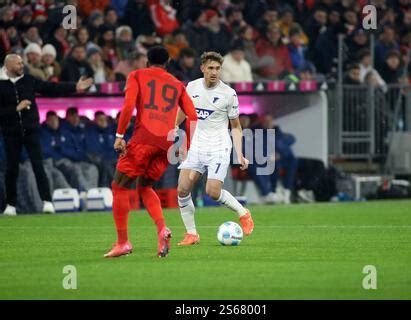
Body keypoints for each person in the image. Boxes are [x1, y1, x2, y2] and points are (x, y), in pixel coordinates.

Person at [104, 46, 197, 258]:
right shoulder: (177, 84)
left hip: (143, 140)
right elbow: (193, 116)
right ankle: (162, 229)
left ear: (147, 62)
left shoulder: (136, 75)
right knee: (145, 186)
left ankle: (123, 243)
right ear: (168, 64)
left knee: (119, 187)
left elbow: (128, 106)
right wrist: (188, 146)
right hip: (166, 145)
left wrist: (119, 136)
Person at [175, 51, 254, 246]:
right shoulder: (191, 87)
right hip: (196, 146)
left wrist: (240, 154)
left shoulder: (228, 94)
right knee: (183, 189)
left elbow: (235, 126)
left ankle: (243, 213)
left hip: (219, 147)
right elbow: (183, 112)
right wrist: (175, 133)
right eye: (210, 68)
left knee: (212, 191)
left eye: (218, 68)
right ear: (202, 68)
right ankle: (192, 234)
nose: (214, 72)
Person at [0, 54, 92, 215]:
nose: (22, 65)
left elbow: (51, 87)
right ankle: (11, 205)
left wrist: (74, 86)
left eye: (22, 62)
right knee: (11, 169)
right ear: (8, 66)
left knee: (38, 166)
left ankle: (47, 202)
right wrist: (16, 109)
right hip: (10, 132)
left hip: (31, 131)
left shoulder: (28, 80)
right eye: (18, 63)